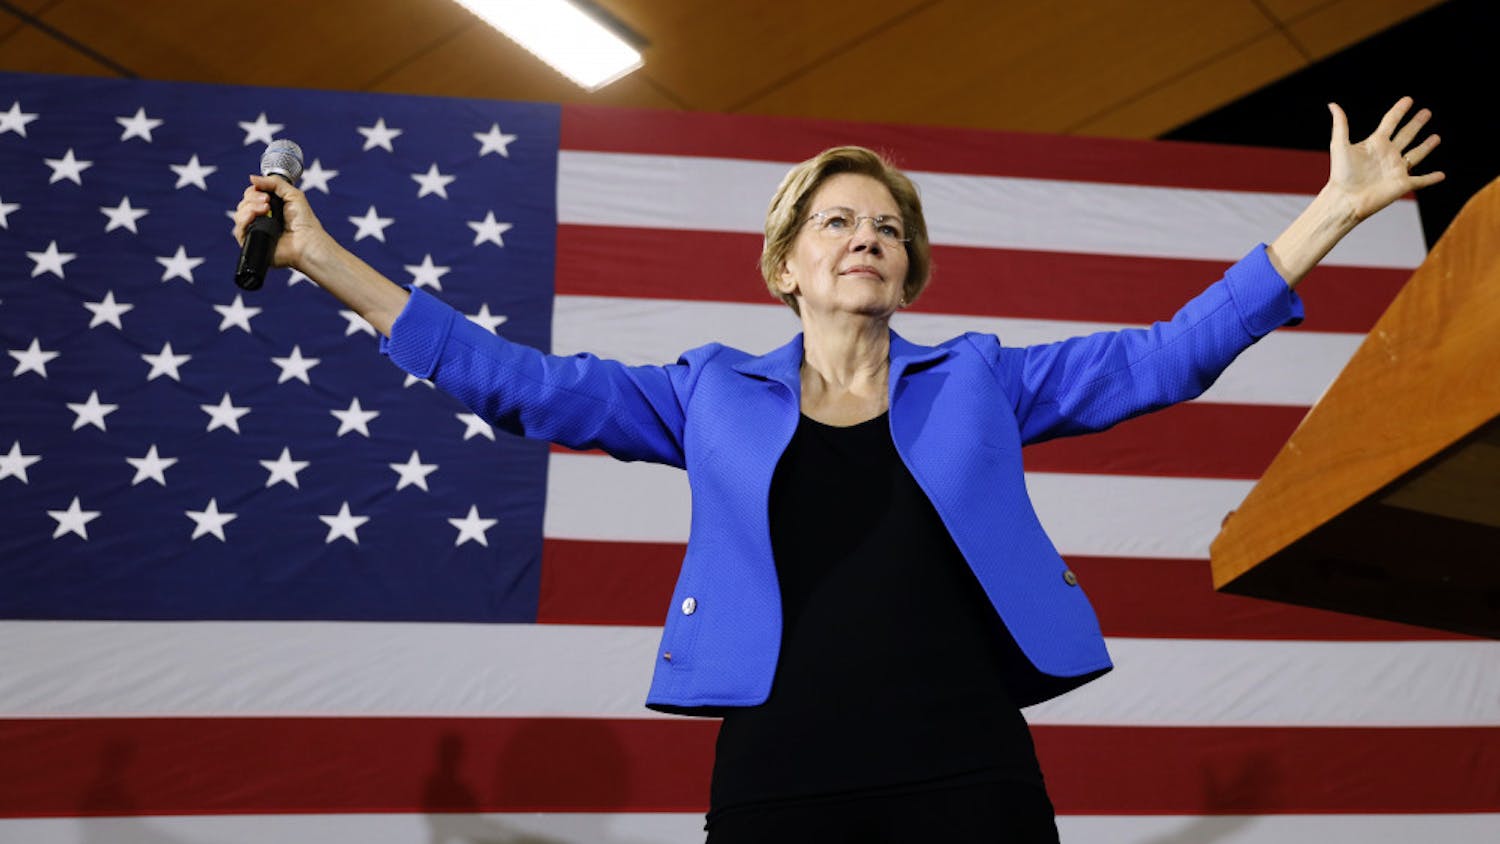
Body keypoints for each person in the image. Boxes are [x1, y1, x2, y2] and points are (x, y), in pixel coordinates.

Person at [233, 97, 1442, 843]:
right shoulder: (702, 388)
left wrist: (1330, 215)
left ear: (907, 271)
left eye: (888, 228)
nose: (867, 237)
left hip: (968, 761)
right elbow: (519, 382)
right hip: (782, 765)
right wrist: (323, 255)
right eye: (838, 223)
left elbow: (1169, 356)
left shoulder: (979, 376)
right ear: (784, 266)